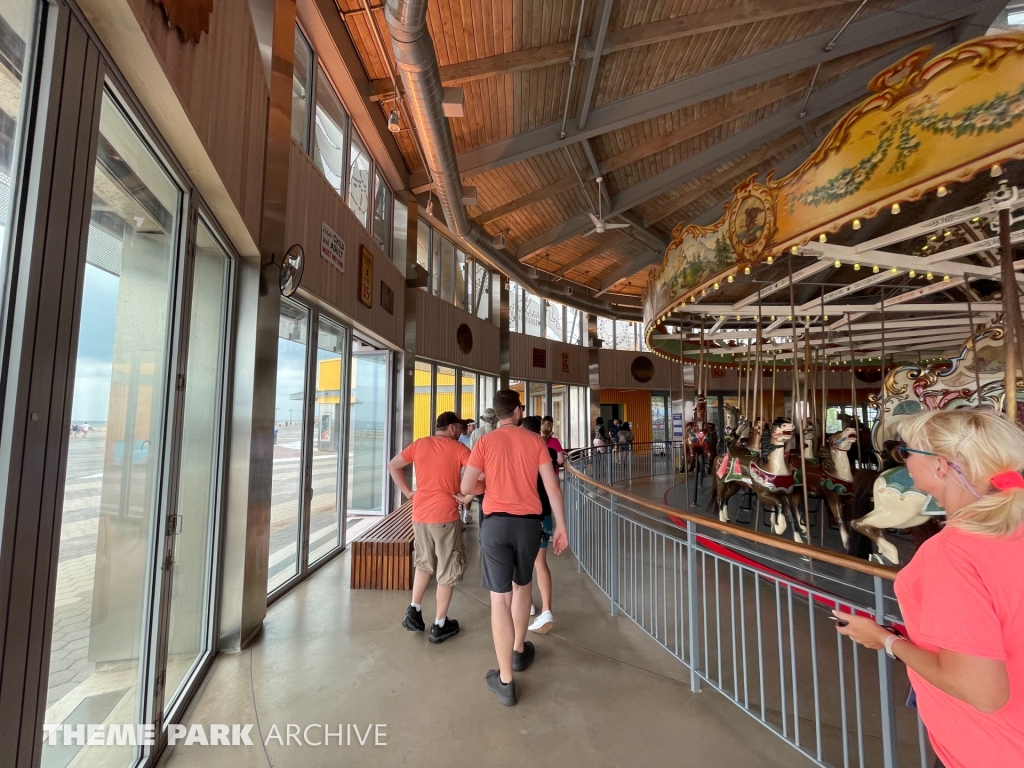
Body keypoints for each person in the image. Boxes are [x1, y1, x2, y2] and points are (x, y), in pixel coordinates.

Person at [833, 409, 1024, 768]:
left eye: (907, 453)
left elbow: (981, 691)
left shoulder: (953, 552)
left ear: (940, 465)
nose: (902, 461)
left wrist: (886, 641)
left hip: (989, 747)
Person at [459, 390, 568, 706]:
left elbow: (466, 488)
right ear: (519, 411)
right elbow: (552, 487)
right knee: (523, 589)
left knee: (499, 600)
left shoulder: (484, 442)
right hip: (528, 525)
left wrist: (488, 486)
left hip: (495, 524)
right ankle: (519, 650)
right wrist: (560, 525)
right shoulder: (535, 442)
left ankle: (505, 680)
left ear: (496, 413)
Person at [387, 411, 472, 644]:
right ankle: (440, 624)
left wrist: (408, 492)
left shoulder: (420, 444)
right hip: (445, 515)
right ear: (453, 428)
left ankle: (414, 610)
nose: (462, 432)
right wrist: (467, 496)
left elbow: (393, 465)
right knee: (447, 569)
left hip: (420, 514)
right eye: (460, 428)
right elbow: (481, 472)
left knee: (424, 563)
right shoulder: (459, 449)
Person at [523, 416, 558, 634]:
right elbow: (553, 487)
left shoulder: (520, 457)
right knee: (540, 563)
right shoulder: (550, 454)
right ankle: (546, 610)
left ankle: (528, 605)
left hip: (525, 517)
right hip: (544, 516)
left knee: (523, 565)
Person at [468, 408, 498, 523]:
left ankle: (482, 535)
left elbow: (469, 455)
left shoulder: (476, 433)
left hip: (480, 475)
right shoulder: (500, 433)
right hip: (496, 475)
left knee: (482, 505)